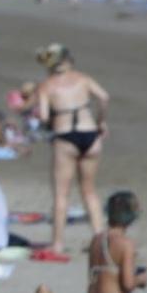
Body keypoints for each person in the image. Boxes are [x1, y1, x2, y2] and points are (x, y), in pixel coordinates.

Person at [33, 43, 109, 250]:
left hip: (65, 136)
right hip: (90, 134)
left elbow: (44, 115)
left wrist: (45, 123)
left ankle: (57, 243)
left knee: (61, 193)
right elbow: (104, 97)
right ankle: (99, 239)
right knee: (89, 190)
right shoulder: (83, 79)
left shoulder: (46, 85)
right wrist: (101, 121)